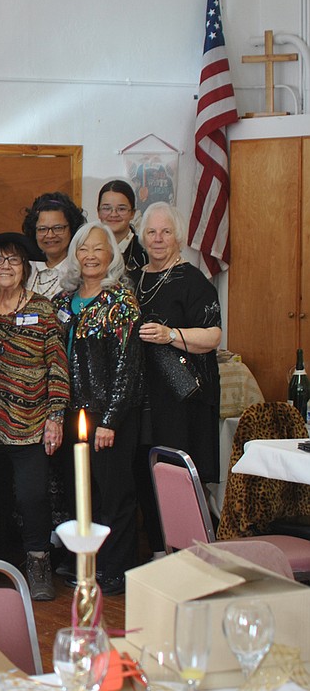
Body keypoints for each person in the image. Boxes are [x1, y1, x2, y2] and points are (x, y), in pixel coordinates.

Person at [0, 232, 68, 601]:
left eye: (13, 260)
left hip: (30, 422)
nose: (5, 267)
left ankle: (38, 563)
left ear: (25, 268)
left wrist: (56, 415)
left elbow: (57, 365)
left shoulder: (42, 309)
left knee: (32, 496)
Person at [52, 222, 144, 595]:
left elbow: (129, 366)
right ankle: (84, 563)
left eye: (99, 249)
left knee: (114, 494)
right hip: (71, 412)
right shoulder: (62, 301)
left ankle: (114, 569)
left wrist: (111, 420)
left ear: (112, 257)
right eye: (83, 249)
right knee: (79, 491)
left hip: (110, 415)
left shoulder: (120, 302)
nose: (90, 256)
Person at [131, 202, 221, 556]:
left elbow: (213, 337)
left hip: (184, 399)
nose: (158, 239)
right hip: (144, 397)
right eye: (151, 232)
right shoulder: (134, 278)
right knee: (146, 474)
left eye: (166, 232)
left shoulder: (194, 281)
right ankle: (157, 550)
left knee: (178, 475)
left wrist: (171, 335)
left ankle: (192, 553)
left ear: (178, 236)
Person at [23, 192, 87, 300]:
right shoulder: (25, 268)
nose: (50, 235)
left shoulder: (82, 269)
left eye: (58, 228)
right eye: (42, 229)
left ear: (71, 229)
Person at [98, 179, 149, 272]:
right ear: (98, 212)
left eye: (121, 209)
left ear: (132, 213)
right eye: (106, 208)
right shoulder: (87, 250)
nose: (113, 214)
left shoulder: (145, 253)